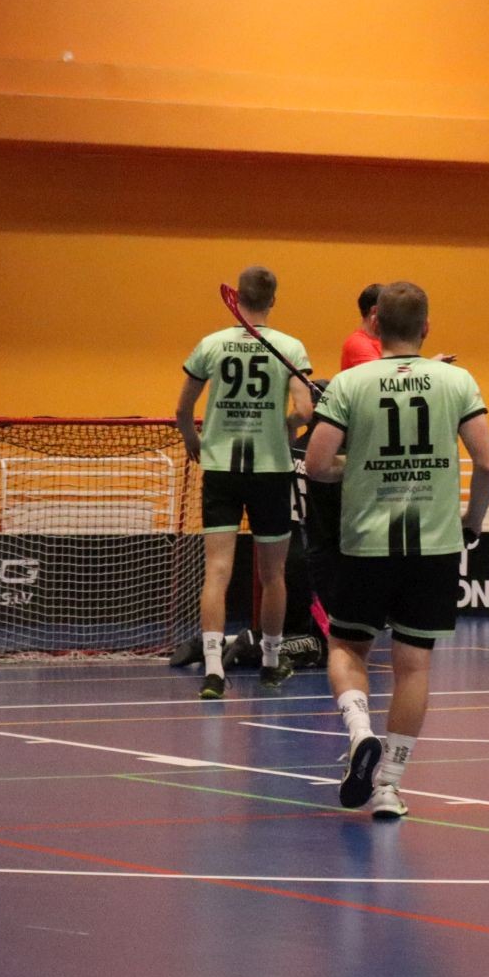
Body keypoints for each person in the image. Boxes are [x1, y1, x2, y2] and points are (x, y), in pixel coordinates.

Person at [304, 281, 489, 820]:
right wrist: (473, 521)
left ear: (374, 324)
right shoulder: (457, 380)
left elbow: (316, 466)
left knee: (347, 648)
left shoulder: (350, 382)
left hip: (366, 541)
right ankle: (388, 785)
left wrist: (360, 464)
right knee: (413, 666)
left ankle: (359, 731)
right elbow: (487, 463)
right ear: (427, 327)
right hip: (435, 543)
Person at [176, 265, 315, 699]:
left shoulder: (212, 344)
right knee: (272, 574)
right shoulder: (289, 347)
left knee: (217, 571)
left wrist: (193, 438)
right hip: (270, 469)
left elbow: (182, 409)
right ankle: (271, 663)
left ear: (237, 298)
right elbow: (304, 412)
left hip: (221, 467)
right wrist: (284, 424)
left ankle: (213, 670)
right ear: (273, 300)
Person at [339, 284, 383, 372]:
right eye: (390, 310)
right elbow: (381, 376)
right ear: (375, 311)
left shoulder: (387, 341)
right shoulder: (357, 343)